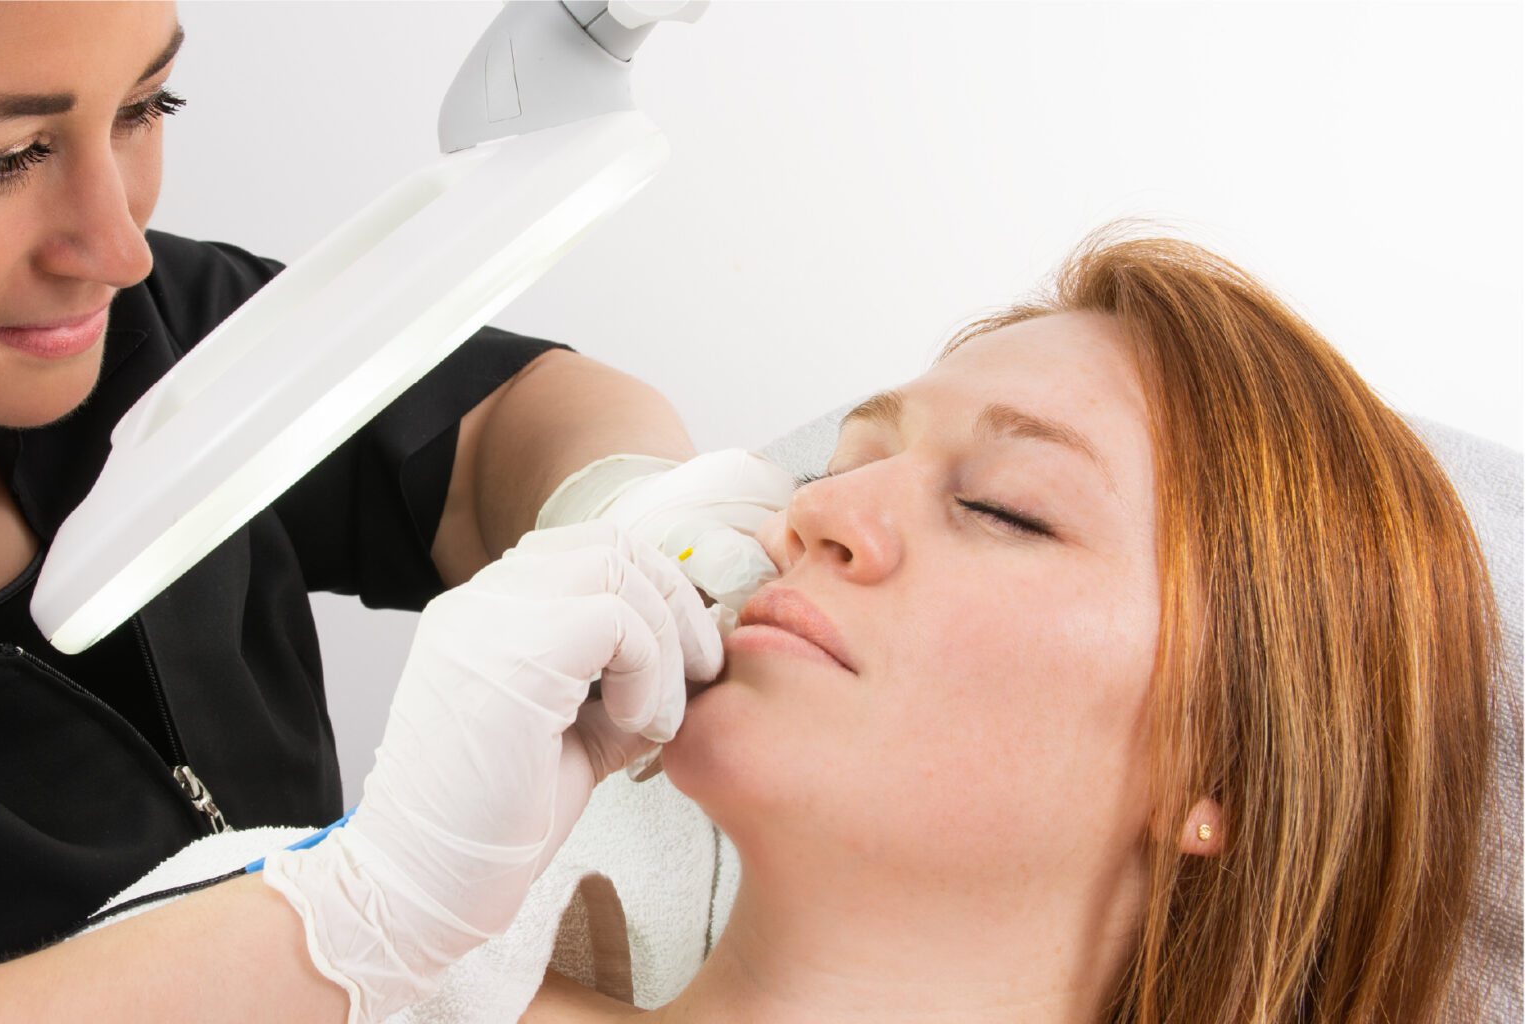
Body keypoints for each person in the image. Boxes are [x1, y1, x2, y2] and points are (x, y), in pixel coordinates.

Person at [0, 3, 787, 1022]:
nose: (118, 247)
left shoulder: (133, 338)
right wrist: (348, 925)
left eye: (147, 104)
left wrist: (629, 511)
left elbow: (502, 418)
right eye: (0, 158)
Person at [506, 232, 1498, 1023]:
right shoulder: (418, 955)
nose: (810, 513)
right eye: (835, 468)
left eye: (1002, 508)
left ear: (1221, 764)